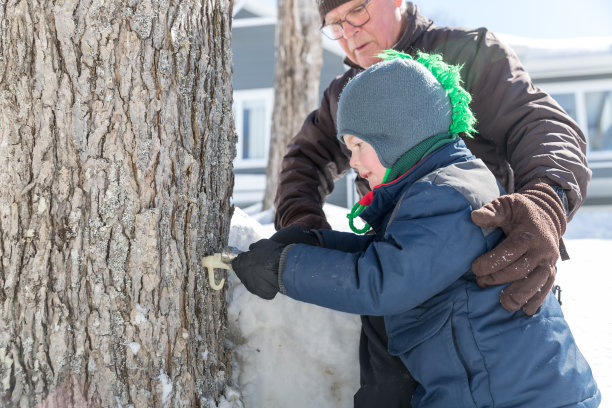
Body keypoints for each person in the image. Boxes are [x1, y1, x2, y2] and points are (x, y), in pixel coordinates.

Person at [232, 53, 600, 408]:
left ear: (397, 134)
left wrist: (286, 268)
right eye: (348, 149)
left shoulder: (447, 195)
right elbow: (394, 254)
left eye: (359, 145)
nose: (353, 162)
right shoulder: (432, 188)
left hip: (511, 397)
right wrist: (315, 242)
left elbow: (384, 281)